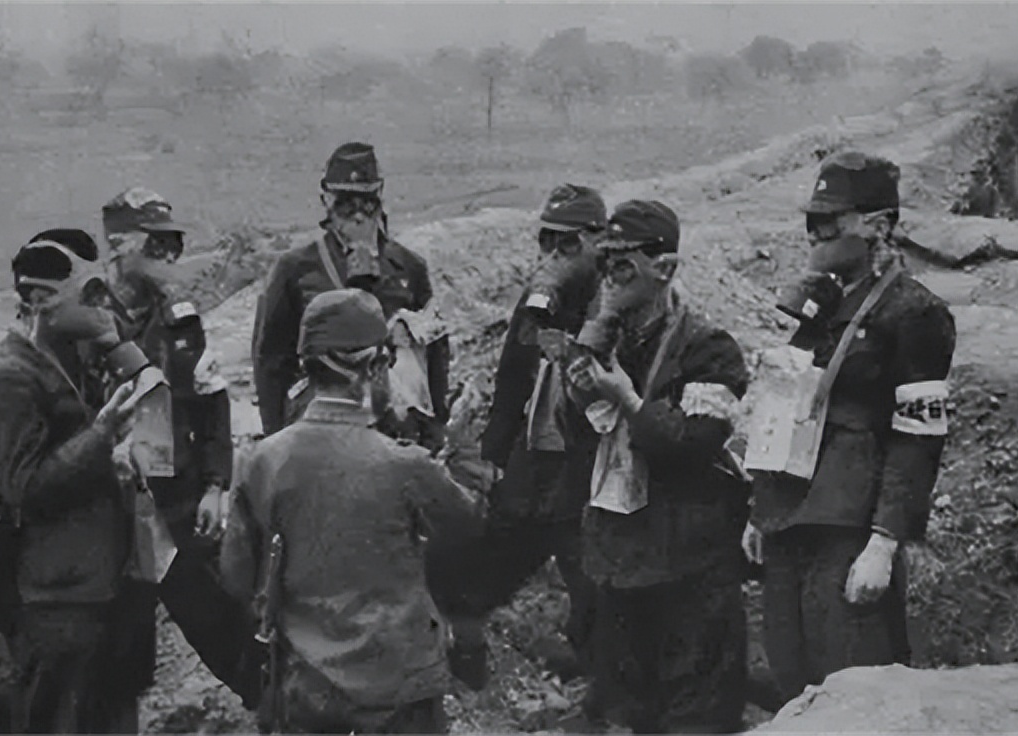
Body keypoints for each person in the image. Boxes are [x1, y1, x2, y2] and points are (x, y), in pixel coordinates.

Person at [742, 152, 956, 705]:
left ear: (877, 225)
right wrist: (760, 509)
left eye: (829, 222)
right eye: (811, 222)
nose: (815, 234)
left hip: (849, 526)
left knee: (851, 683)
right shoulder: (822, 305)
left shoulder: (914, 312)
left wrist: (884, 542)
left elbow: (917, 438)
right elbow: (789, 403)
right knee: (791, 673)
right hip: (790, 514)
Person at [221, 289, 484, 734]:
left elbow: (235, 578)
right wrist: (461, 449)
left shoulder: (259, 462)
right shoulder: (405, 465)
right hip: (400, 689)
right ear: (374, 367)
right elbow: (470, 528)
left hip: (307, 688)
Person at [562, 200, 752, 733]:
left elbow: (693, 444)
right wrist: (579, 389)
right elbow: (576, 440)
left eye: (623, 265)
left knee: (696, 717)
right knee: (629, 713)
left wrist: (627, 399)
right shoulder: (606, 342)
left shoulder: (709, 350)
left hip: (688, 568)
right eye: (603, 263)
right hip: (620, 562)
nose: (609, 277)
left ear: (663, 268)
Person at [426, 184, 607, 688]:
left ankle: (604, 693)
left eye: (568, 243)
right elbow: (511, 379)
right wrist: (493, 459)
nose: (555, 255)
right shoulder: (540, 302)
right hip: (536, 464)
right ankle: (469, 666)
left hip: (590, 470)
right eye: (547, 241)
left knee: (591, 580)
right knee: (483, 563)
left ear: (599, 241)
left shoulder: (612, 303)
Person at [97, 190, 263, 707]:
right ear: (119, 245)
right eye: (156, 244)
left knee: (221, 620)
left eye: (174, 245)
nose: (169, 256)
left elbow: (212, 403)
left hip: (178, 500)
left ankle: (273, 709)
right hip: (110, 512)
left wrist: (216, 484)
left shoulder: (180, 319)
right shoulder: (85, 322)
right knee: (119, 646)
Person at [0, 234, 140, 733]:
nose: (103, 306)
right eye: (91, 294)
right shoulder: (9, 380)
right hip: (55, 601)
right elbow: (24, 489)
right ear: (42, 300)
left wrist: (119, 346)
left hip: (103, 586)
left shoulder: (76, 359)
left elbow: (155, 397)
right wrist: (101, 437)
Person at [251, 142, 450, 449]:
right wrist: (276, 438)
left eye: (367, 202)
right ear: (326, 201)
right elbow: (271, 361)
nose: (358, 215)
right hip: (323, 425)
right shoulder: (295, 269)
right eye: (346, 203)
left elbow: (434, 350)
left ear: (380, 197)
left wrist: (436, 425)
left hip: (395, 429)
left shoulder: (409, 267)